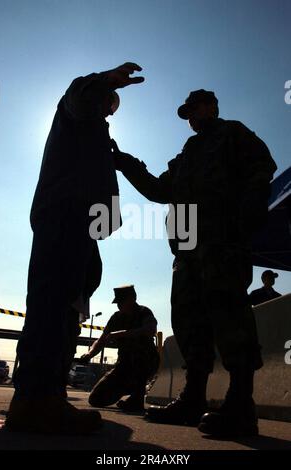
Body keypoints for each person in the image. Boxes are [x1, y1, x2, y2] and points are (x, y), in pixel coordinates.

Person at [113, 89, 277, 436]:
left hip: (222, 241)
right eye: (187, 112)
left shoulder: (233, 133)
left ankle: (240, 403)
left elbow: (262, 166)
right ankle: (193, 398)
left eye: (195, 108)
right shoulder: (187, 153)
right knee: (189, 321)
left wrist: (249, 210)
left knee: (229, 313)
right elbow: (159, 190)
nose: (191, 116)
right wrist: (124, 161)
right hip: (187, 250)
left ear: (212, 107)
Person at [6, 63, 144, 435]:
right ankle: (36, 399)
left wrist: (106, 219)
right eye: (110, 102)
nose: (111, 109)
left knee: (72, 299)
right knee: (53, 302)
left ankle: (46, 395)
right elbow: (78, 96)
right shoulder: (76, 109)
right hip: (66, 213)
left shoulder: (95, 132)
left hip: (81, 220)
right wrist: (106, 81)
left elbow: (97, 177)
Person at [80, 285, 160, 413]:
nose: (119, 306)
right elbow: (101, 340)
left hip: (146, 362)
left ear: (133, 299)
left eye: (122, 302)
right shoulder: (116, 317)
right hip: (123, 366)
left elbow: (150, 330)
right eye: (118, 303)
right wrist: (89, 354)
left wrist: (121, 334)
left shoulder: (144, 312)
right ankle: (127, 388)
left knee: (140, 355)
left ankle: (137, 396)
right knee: (96, 399)